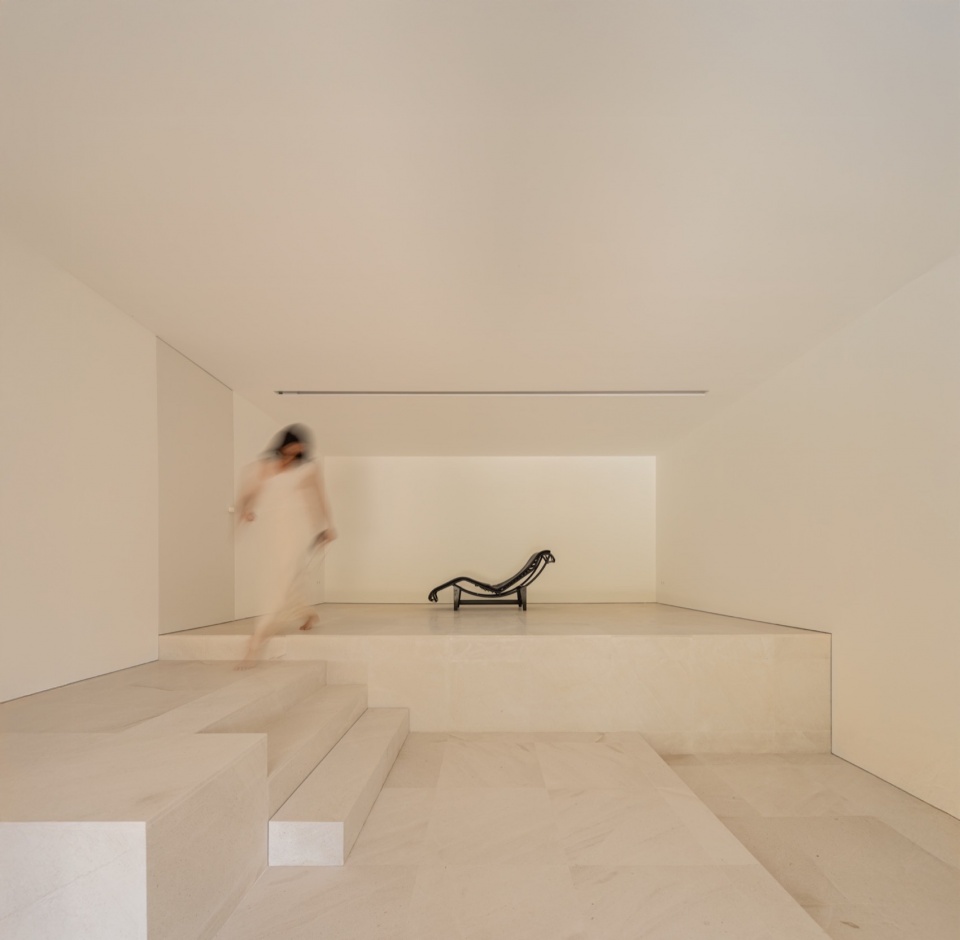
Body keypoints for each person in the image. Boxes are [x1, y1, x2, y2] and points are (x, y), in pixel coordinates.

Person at [235, 424, 336, 668]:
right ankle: (307, 613)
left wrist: (327, 526)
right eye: (294, 444)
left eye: (301, 446)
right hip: (271, 528)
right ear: (284, 443)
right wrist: (246, 510)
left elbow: (319, 497)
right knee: (281, 576)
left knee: (280, 579)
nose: (298, 450)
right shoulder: (265, 466)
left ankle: (255, 643)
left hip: (297, 528)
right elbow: (249, 492)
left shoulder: (308, 468)